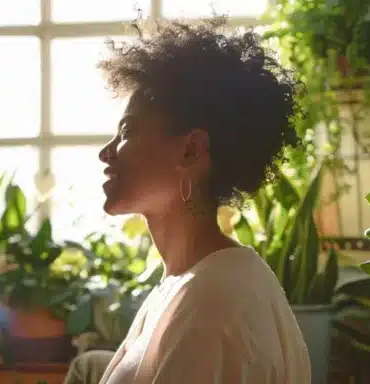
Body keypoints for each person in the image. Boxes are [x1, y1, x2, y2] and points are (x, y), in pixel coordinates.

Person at [70, 15, 312, 384]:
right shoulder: (186, 282)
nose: (107, 152)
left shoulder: (214, 302)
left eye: (127, 131)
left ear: (191, 151)